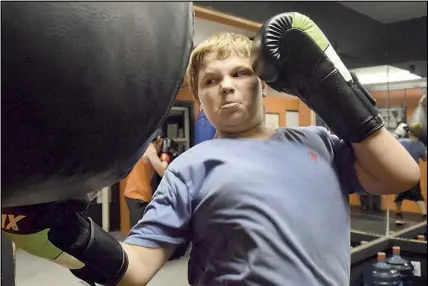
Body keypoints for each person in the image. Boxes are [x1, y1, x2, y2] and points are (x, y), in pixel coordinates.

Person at [2, 13, 421, 286]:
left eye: (240, 73)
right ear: (200, 102)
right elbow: (139, 268)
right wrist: (60, 239)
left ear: (263, 84)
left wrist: (331, 87)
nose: (226, 85)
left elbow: (400, 175)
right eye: (210, 80)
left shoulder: (318, 143)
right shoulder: (191, 167)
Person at [122, 129, 170, 228]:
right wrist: (165, 156)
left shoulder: (141, 148)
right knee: (139, 230)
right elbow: (162, 172)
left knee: (138, 228)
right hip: (138, 195)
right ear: (159, 140)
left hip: (132, 194)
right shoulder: (150, 150)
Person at [395, 122, 427, 225]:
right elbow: (425, 159)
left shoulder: (401, 141)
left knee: (399, 195)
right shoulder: (421, 145)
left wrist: (399, 134)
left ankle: (398, 216)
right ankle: (425, 216)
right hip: (413, 173)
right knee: (417, 195)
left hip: (401, 172)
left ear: (409, 132)